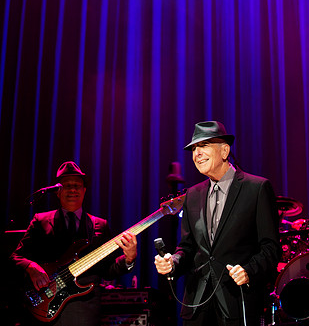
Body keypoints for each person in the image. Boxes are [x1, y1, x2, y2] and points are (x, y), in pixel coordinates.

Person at [154, 121, 281, 326]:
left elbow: (271, 247)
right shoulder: (192, 195)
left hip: (237, 302)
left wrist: (249, 271)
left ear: (224, 151)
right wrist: (173, 262)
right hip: (197, 306)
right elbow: (187, 247)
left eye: (204, 146)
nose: (197, 153)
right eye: (194, 148)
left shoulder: (256, 188)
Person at [10, 161, 137, 326]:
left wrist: (129, 259)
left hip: (83, 310)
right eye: (67, 185)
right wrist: (31, 267)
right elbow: (16, 256)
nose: (72, 189)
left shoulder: (99, 225)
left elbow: (108, 270)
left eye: (77, 185)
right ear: (58, 191)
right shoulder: (40, 221)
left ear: (84, 191)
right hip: (42, 305)